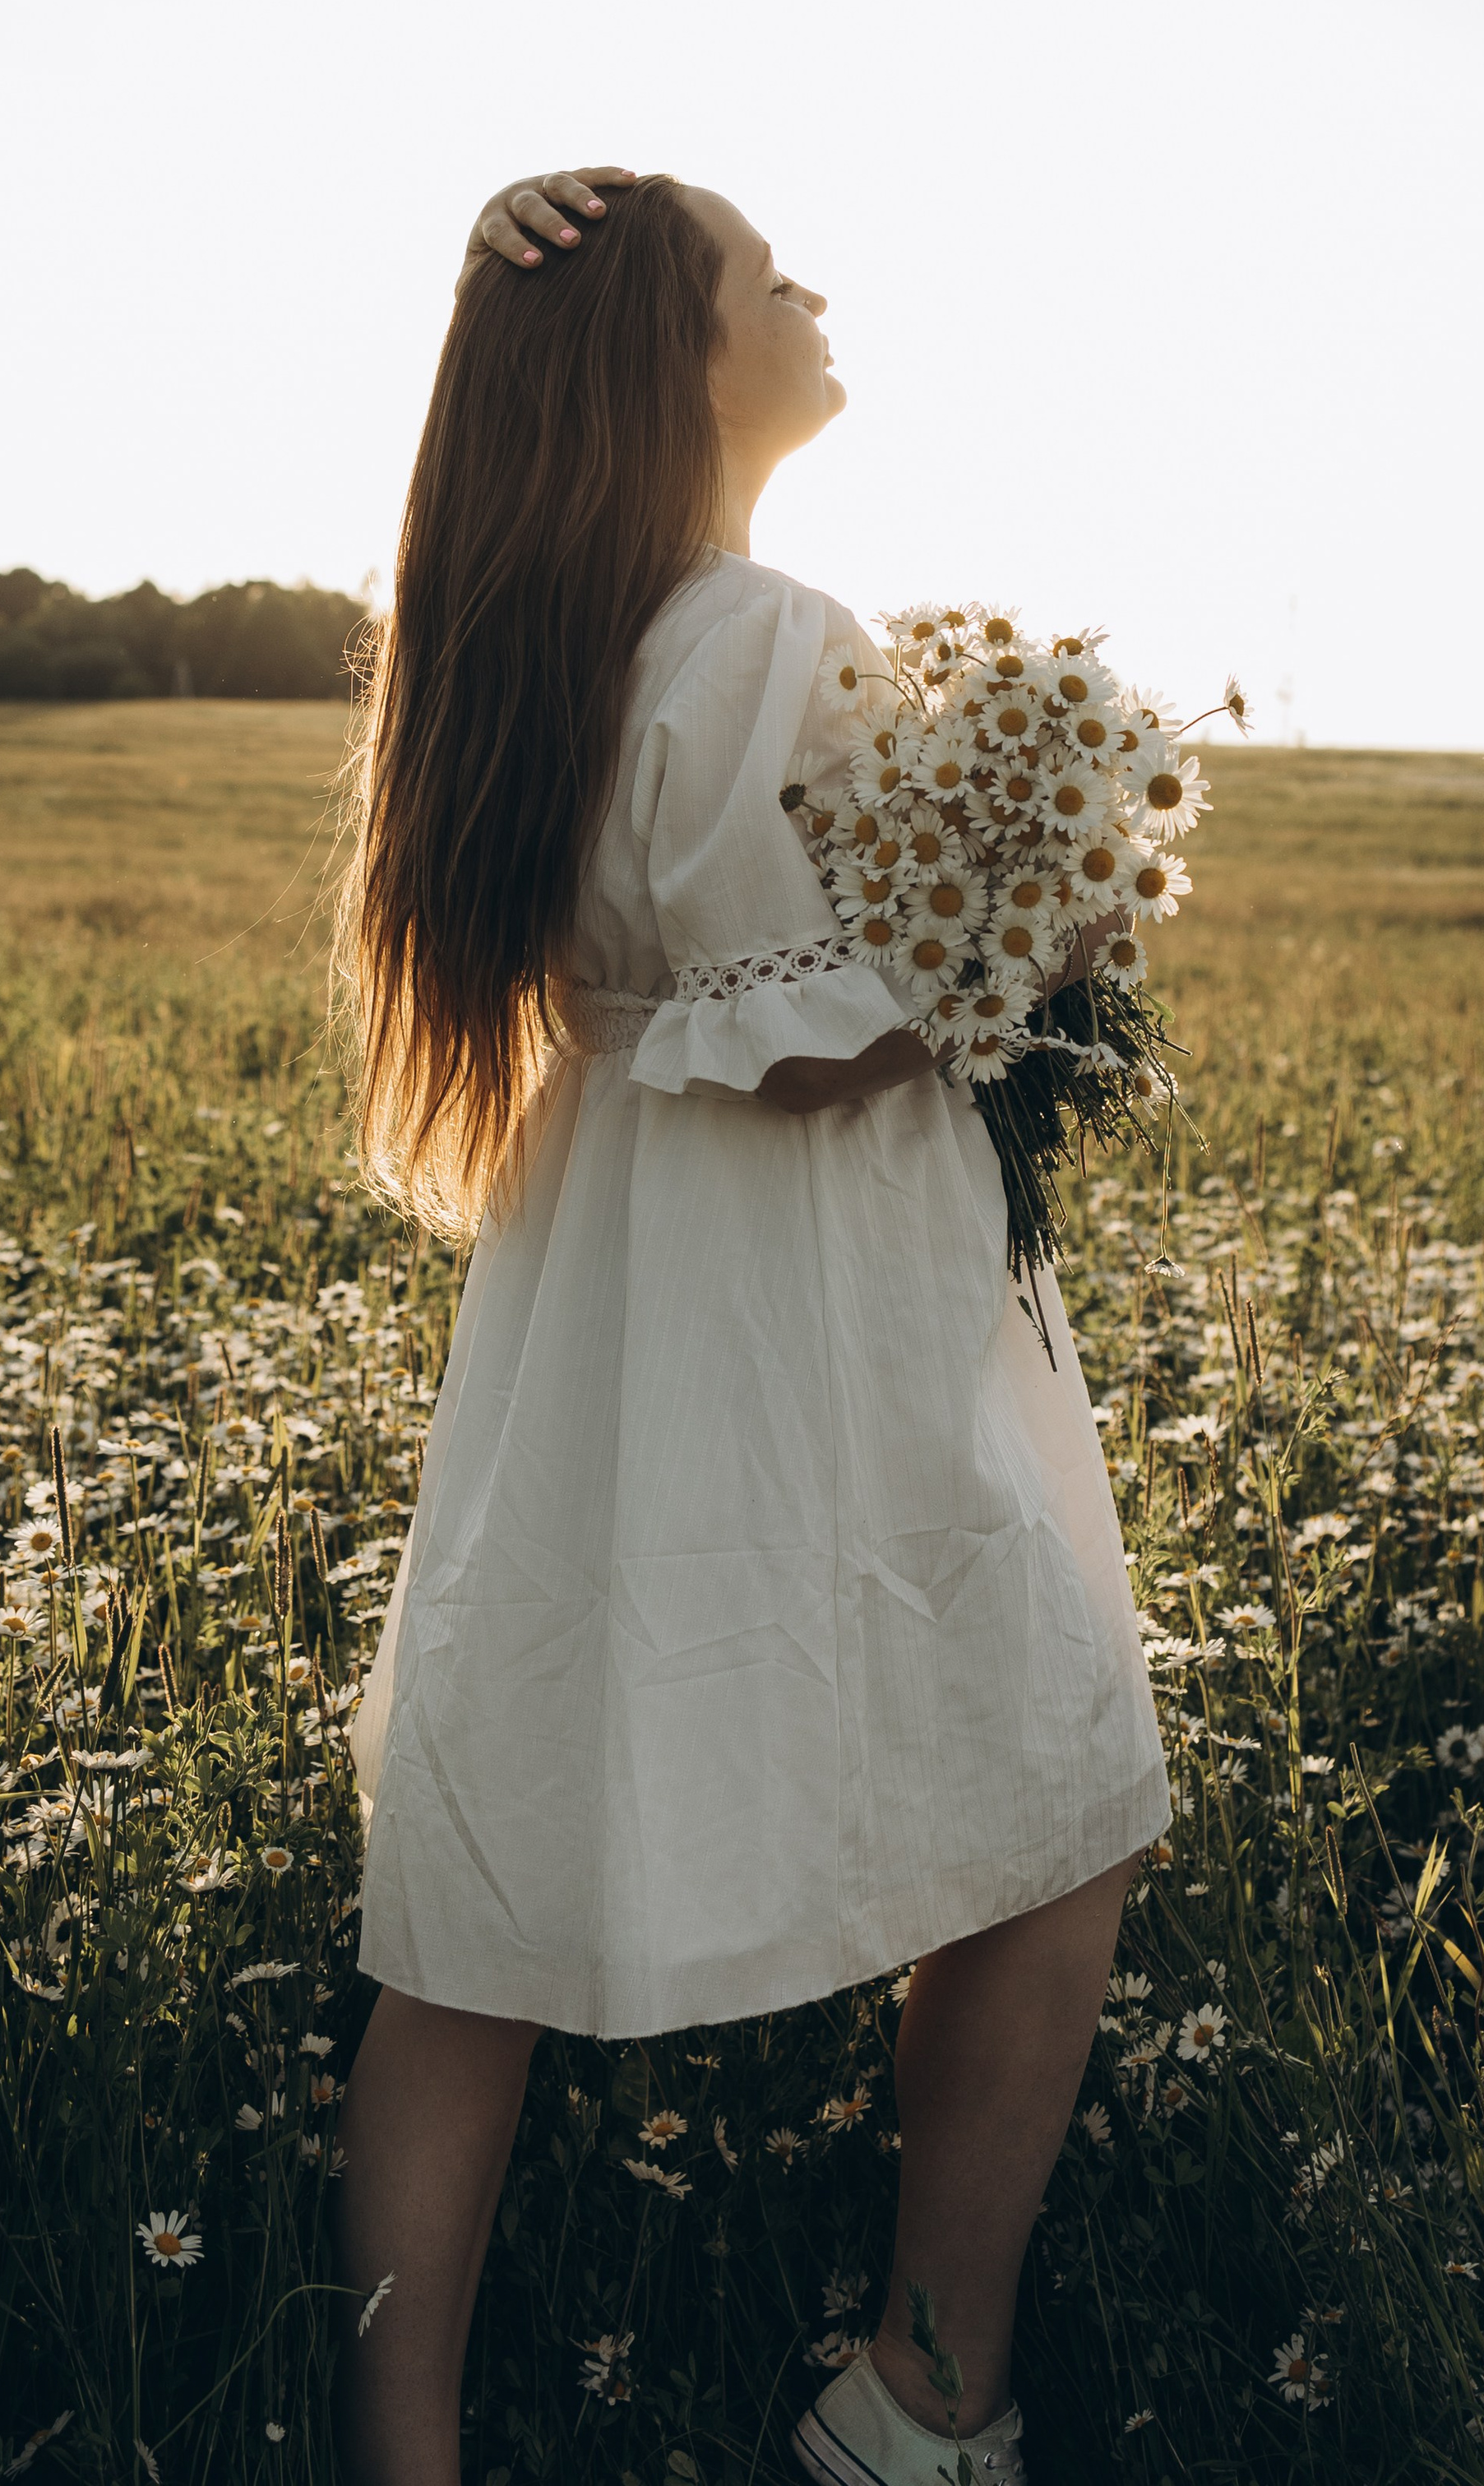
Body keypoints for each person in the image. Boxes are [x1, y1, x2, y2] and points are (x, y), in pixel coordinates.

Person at [332, 165, 1172, 2486]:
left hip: (602, 1308)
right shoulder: (764, 636)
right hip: (811, 1308)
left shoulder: (538, 648)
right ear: (672, 362)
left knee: (480, 1893)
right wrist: (1058, 926)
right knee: (1056, 1789)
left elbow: (703, 996)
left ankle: (401, 2448)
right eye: (761, 271)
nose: (815, 294)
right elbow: (812, 1043)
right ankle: (926, 2398)